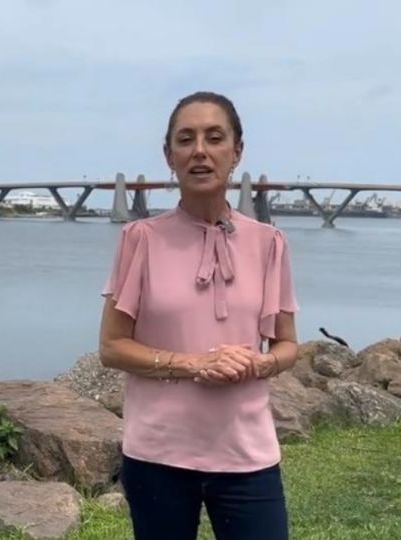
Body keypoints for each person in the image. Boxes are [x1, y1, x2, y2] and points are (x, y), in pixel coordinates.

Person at [98, 91, 299, 540]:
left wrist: (261, 363)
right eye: (185, 140)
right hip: (158, 455)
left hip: (248, 455)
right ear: (169, 156)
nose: (200, 151)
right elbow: (111, 347)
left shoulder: (270, 243)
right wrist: (194, 364)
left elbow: (287, 344)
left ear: (237, 151)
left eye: (215, 137)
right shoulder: (140, 239)